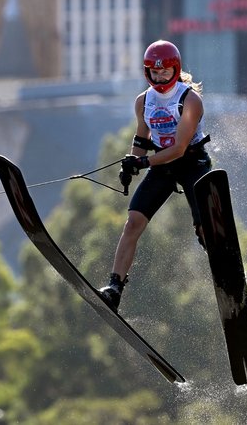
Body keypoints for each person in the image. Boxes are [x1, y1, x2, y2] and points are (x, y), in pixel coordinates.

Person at [99, 40, 212, 312]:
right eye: (154, 72)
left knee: (202, 227)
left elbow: (179, 148)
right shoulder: (143, 101)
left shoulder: (190, 100)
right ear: (146, 72)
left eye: (165, 72)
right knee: (133, 222)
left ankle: (223, 267)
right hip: (162, 165)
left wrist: (144, 160)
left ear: (176, 69)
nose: (159, 77)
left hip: (191, 162)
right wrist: (131, 163)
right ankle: (115, 288)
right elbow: (142, 138)